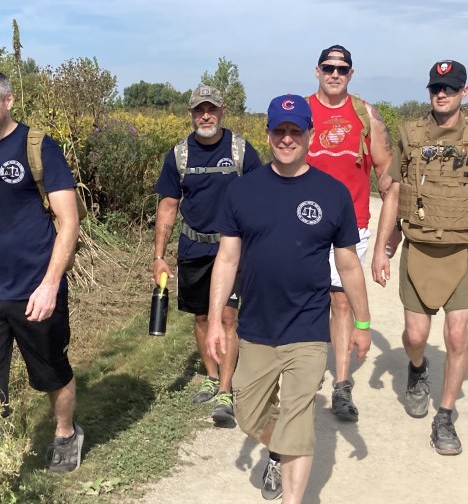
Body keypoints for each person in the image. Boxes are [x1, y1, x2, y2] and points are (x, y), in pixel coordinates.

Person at [206, 94, 371, 503]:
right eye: (279, 130)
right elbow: (227, 259)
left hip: (307, 326)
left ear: (309, 136)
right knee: (247, 413)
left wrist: (363, 324)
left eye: (295, 130)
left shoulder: (332, 193)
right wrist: (213, 321)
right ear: (268, 134)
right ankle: (276, 448)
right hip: (257, 327)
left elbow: (348, 265)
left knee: (297, 418)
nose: (286, 138)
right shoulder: (242, 191)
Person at [371, 60, 468, 455]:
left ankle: (445, 416)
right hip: (419, 248)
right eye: (436, 87)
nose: (442, 93)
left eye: (450, 88)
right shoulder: (412, 135)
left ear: (463, 92)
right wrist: (384, 249)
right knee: (416, 337)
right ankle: (418, 369)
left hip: (465, 250)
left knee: (456, 335)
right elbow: (393, 193)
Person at [0, 68, 83, 504]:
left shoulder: (39, 147)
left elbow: (68, 222)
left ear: (7, 102)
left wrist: (49, 284)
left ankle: (65, 433)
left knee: (51, 374)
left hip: (34, 287)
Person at [153, 85, 261, 427]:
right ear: (191, 113)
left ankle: (227, 391)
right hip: (193, 248)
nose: (205, 115)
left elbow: (264, 197)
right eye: (199, 109)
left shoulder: (241, 150)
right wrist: (159, 255)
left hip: (232, 250)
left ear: (222, 110)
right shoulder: (180, 155)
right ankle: (212, 376)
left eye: (211, 108)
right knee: (201, 318)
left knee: (228, 318)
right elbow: (168, 206)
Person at [305, 44, 393, 422]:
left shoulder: (366, 115)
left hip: (351, 226)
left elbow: (388, 182)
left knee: (342, 302)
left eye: (342, 68)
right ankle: (303, 377)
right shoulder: (301, 110)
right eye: (328, 67)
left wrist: (386, 241)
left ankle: (341, 384)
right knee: (307, 300)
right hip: (304, 223)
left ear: (351, 74)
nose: (335, 73)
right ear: (318, 70)